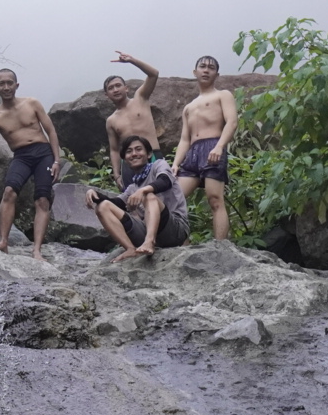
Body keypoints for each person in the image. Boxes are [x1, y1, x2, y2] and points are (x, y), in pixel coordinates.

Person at [0, 68, 65, 259]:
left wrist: (57, 160)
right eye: (2, 83)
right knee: (9, 192)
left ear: (16, 85)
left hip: (43, 153)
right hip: (21, 156)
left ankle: (37, 250)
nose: (6, 87)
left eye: (10, 83)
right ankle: (3, 242)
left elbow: (51, 131)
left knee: (42, 199)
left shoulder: (32, 103)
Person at [83, 135, 188, 260]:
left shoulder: (159, 165)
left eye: (138, 149)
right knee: (103, 207)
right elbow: (116, 203)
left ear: (148, 154)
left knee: (149, 196)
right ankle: (130, 249)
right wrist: (95, 195)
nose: (134, 154)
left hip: (175, 229)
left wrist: (143, 190)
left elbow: (165, 181)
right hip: (147, 230)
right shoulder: (133, 187)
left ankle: (150, 241)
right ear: (125, 160)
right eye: (129, 151)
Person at [171, 55, 238, 240]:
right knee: (174, 199)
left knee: (215, 199)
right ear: (195, 72)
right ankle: (181, 245)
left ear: (217, 73)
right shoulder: (189, 107)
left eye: (211, 67)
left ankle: (220, 246)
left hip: (213, 145)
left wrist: (219, 146)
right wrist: (176, 163)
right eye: (202, 66)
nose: (206, 70)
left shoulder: (222, 95)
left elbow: (231, 122)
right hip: (192, 153)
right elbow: (184, 139)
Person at [101, 52, 160, 188]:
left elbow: (154, 74)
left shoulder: (141, 98)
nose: (115, 90)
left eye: (118, 85)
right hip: (129, 162)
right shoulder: (111, 120)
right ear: (106, 95)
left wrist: (132, 60)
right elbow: (114, 149)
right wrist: (116, 175)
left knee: (161, 197)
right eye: (111, 88)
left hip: (152, 156)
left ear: (126, 88)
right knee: (133, 204)